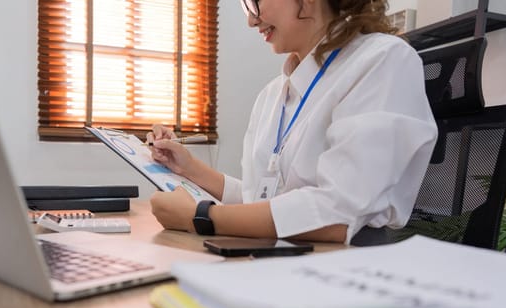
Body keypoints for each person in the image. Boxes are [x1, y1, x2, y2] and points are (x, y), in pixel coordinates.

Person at [147, 0, 438, 244]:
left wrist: (200, 216)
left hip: (345, 265)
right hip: (274, 257)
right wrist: (189, 168)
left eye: (255, 1)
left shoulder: (382, 60)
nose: (251, 20)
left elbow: (337, 215)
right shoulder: (272, 95)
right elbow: (259, 200)